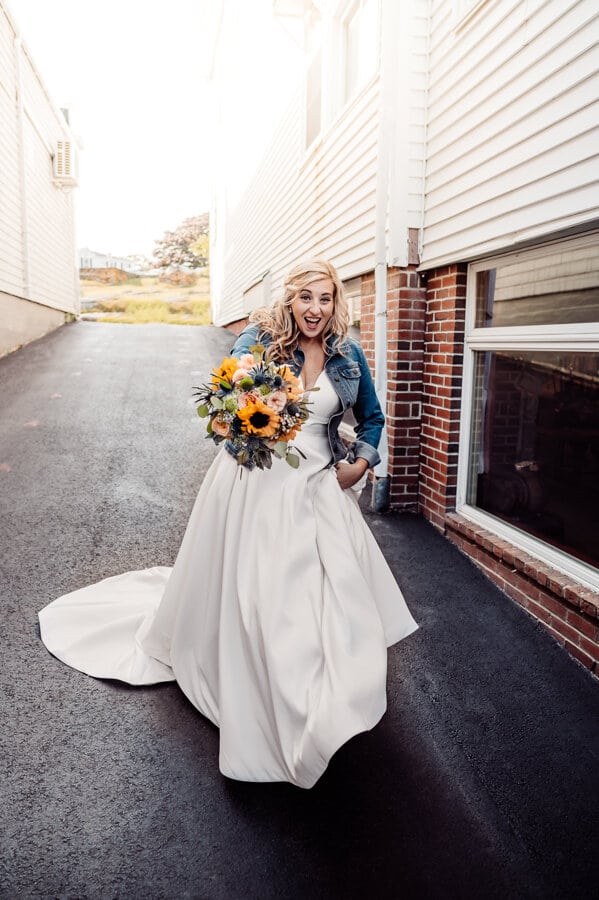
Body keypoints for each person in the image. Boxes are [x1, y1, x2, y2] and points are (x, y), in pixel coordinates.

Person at [38, 259, 419, 789]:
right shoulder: (259, 340)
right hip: (258, 479)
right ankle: (273, 696)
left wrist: (361, 462)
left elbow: (371, 418)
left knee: (332, 586)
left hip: (321, 483)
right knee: (265, 589)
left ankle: (334, 685)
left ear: (336, 303)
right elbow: (227, 398)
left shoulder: (348, 353)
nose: (315, 309)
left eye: (325, 299)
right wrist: (245, 411)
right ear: (289, 299)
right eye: (305, 297)